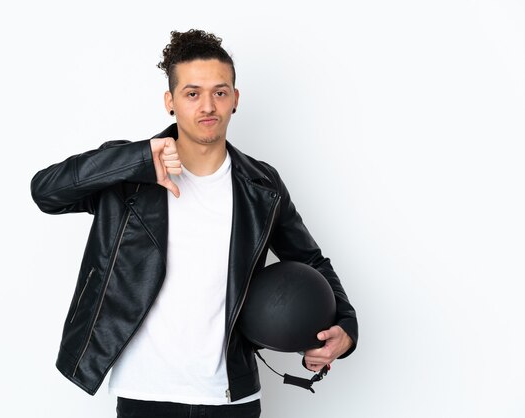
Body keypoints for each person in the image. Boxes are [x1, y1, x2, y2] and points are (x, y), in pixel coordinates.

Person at [31, 29, 358, 418]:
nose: (208, 106)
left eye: (220, 92)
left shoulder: (262, 185)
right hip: (145, 393)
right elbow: (46, 192)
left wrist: (347, 327)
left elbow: (312, 260)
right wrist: (134, 160)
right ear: (170, 101)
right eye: (192, 93)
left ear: (235, 99)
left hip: (230, 397)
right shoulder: (128, 171)